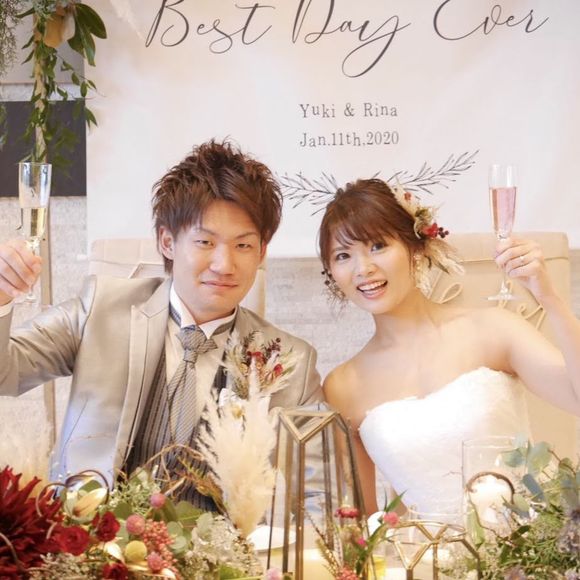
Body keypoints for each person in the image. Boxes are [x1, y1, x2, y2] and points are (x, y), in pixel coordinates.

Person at [0, 140, 322, 508]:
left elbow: (319, 496)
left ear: (262, 252)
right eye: (205, 241)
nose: (224, 264)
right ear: (167, 241)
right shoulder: (101, 311)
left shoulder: (291, 362)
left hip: (231, 545)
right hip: (92, 537)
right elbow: (6, 371)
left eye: (243, 246)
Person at [319, 178, 580, 515]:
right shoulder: (343, 386)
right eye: (343, 255)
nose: (363, 269)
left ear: (415, 246)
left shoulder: (491, 329)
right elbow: (361, 524)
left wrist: (550, 298)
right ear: (332, 272)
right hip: (432, 549)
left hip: (537, 539)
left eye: (378, 245)